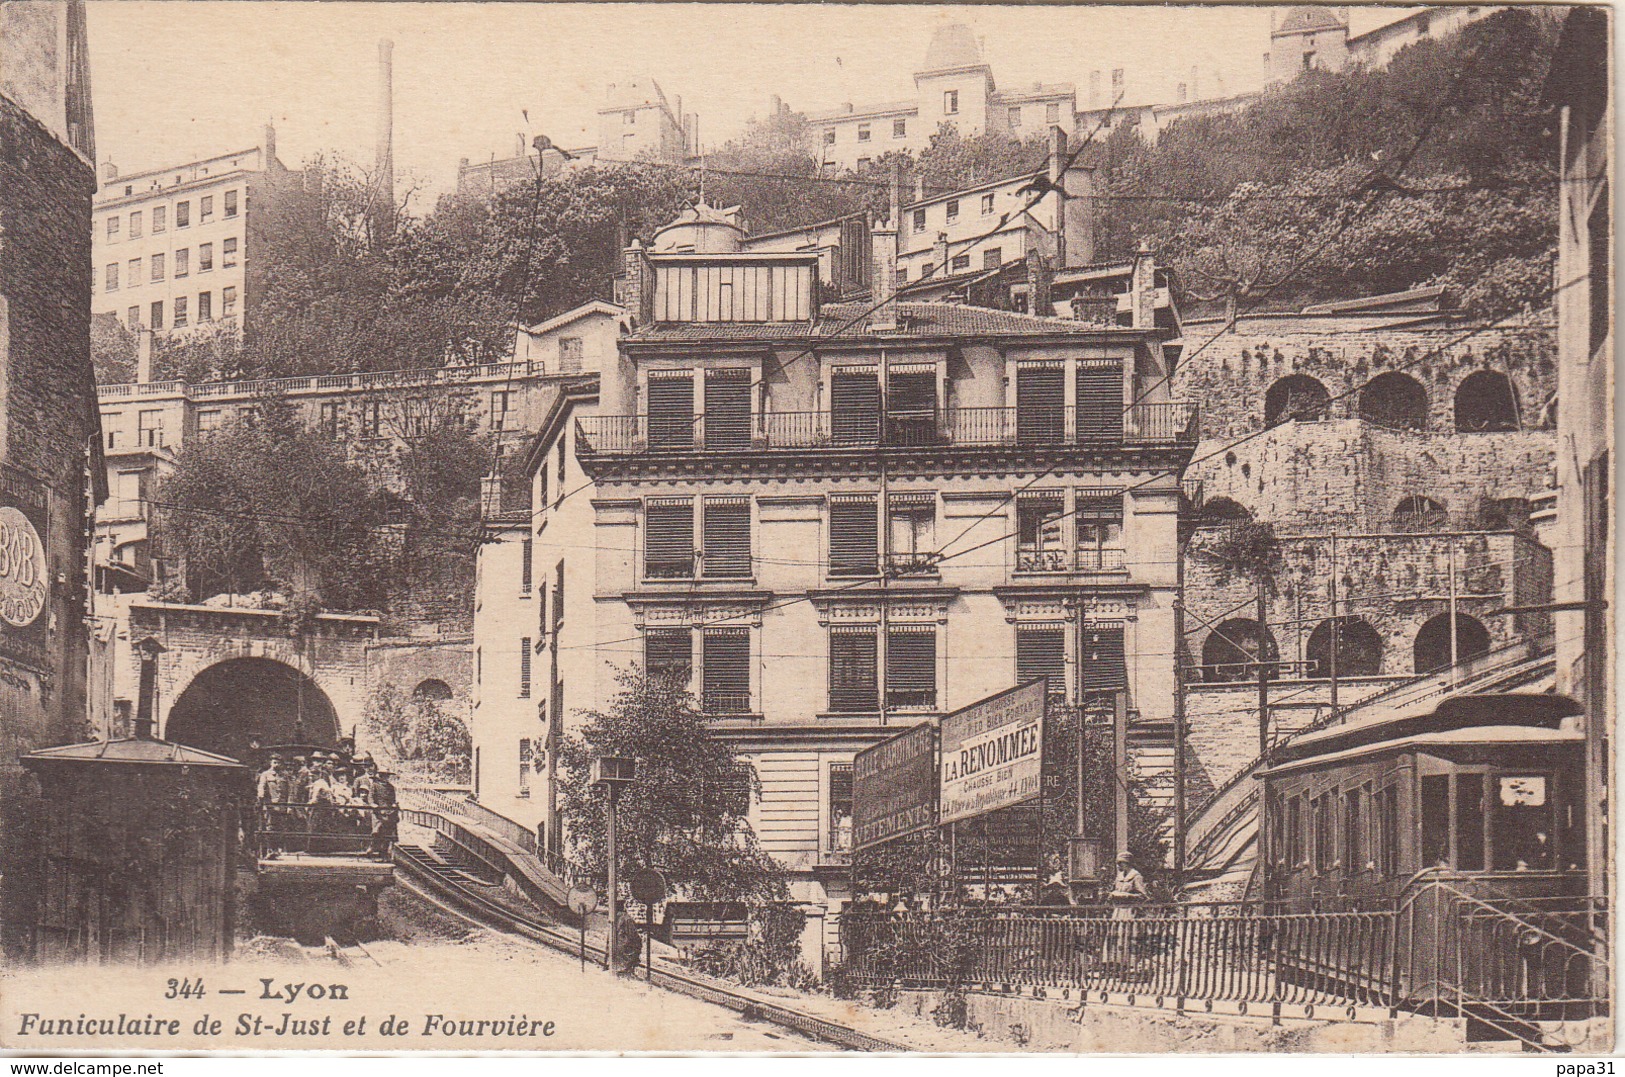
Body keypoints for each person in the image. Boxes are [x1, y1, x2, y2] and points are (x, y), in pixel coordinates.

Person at [1106, 851, 1148, 967]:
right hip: (1117, 911)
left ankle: (1130, 965)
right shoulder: (1119, 877)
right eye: (1117, 864)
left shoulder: (1136, 876)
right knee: (1115, 937)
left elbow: (1143, 896)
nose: (1118, 866)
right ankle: (1115, 964)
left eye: (1121, 863)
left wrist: (1126, 896)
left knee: (1128, 938)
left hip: (1129, 911)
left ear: (1128, 863)